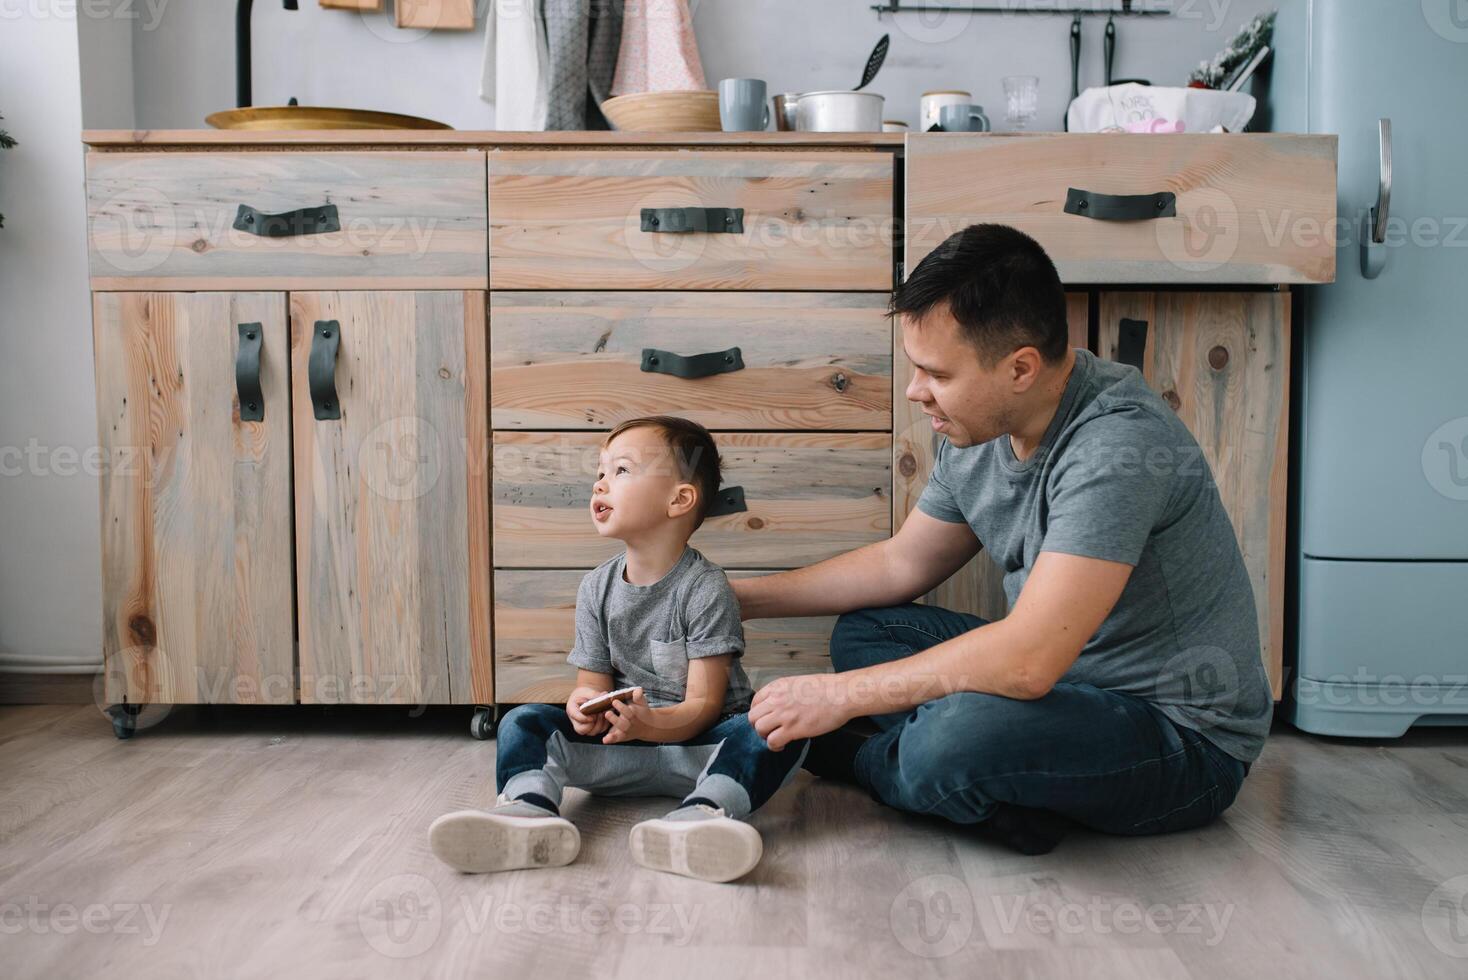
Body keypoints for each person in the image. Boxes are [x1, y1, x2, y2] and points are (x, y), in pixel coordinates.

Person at [738, 223, 1272, 855]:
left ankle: (855, 757)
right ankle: (1001, 790)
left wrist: (837, 697)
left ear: (1020, 367)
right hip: (1057, 678)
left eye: (935, 372)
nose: (916, 392)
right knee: (866, 631)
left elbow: (1026, 662)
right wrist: (738, 598)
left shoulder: (1116, 446)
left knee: (956, 738)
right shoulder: (975, 424)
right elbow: (899, 564)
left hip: (1178, 735)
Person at [429, 416, 808, 882]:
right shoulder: (595, 588)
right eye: (600, 472)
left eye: (621, 471)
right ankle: (529, 810)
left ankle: (705, 814)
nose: (601, 484)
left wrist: (653, 723)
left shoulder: (707, 589)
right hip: (617, 746)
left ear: (679, 499)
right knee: (522, 720)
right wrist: (584, 706)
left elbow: (706, 704)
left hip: (700, 747)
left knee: (779, 729)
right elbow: (592, 684)